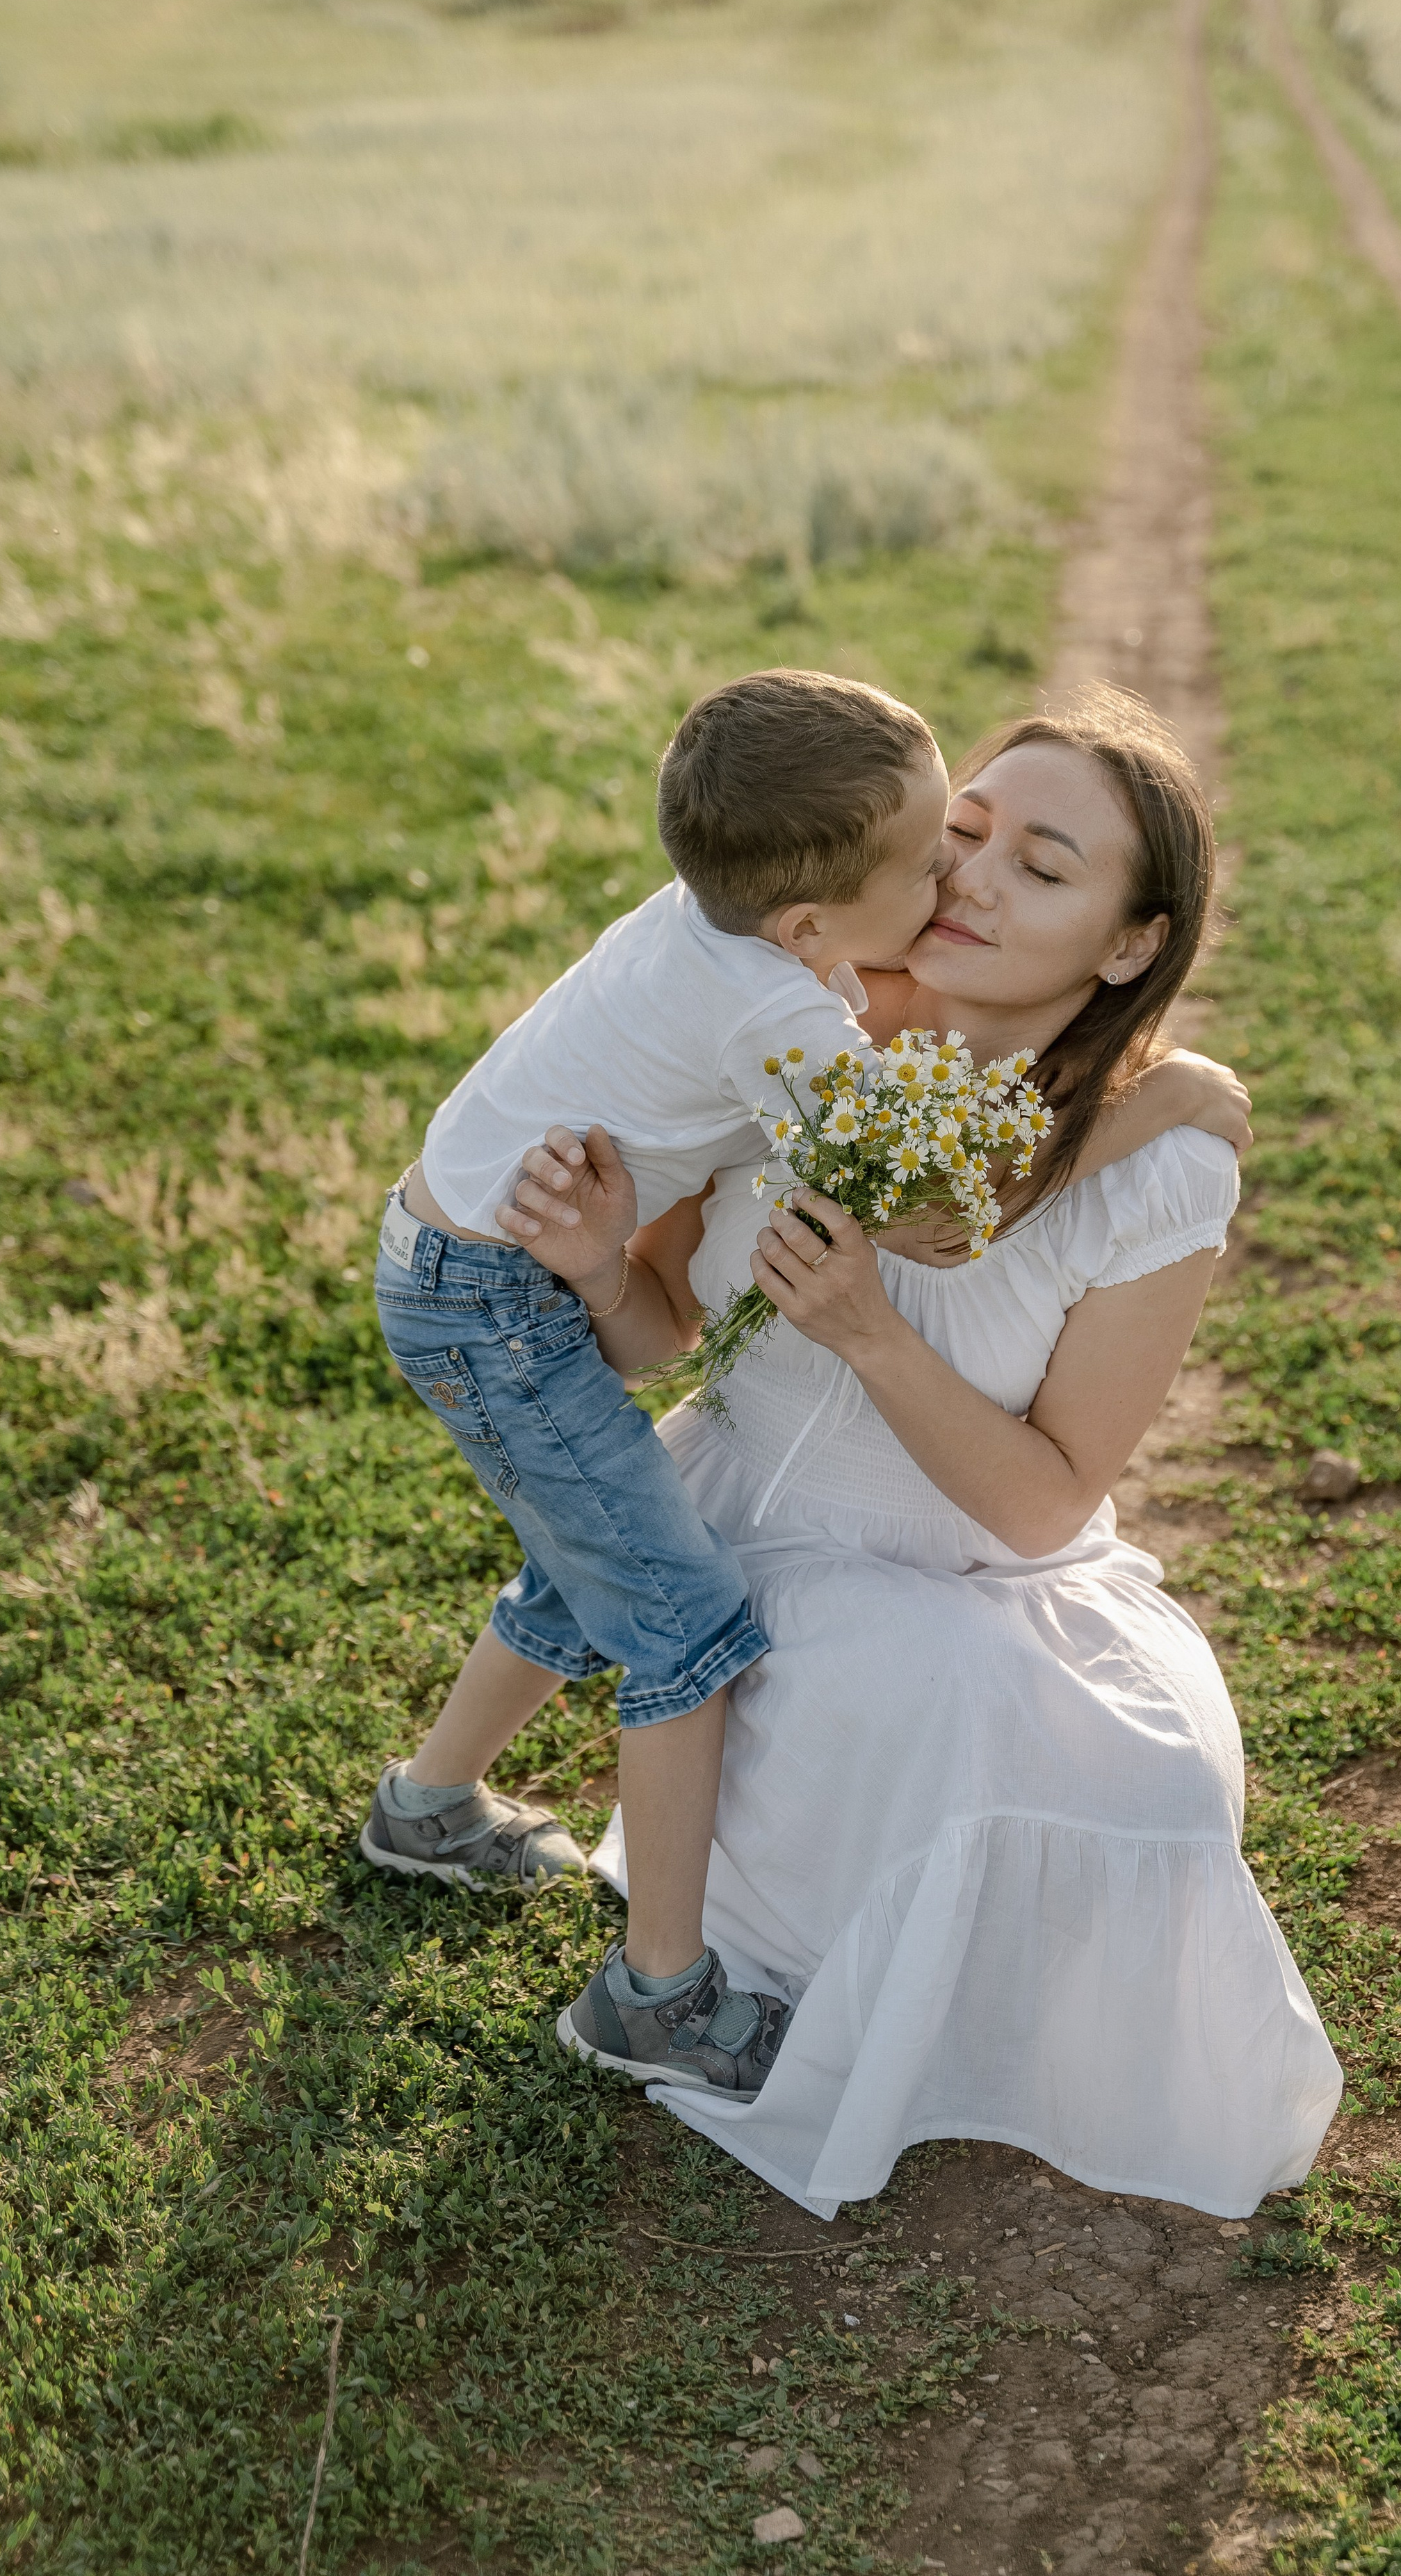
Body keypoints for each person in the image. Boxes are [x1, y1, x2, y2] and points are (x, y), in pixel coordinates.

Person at [365, 669, 1254, 2114]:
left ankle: (453, 1815)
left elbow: (1040, 1500)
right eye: (956, 834)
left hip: (933, 1570)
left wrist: (887, 1329)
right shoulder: (798, 1034)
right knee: (646, 1578)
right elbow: (691, 1320)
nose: (962, 878)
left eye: (1038, 866)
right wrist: (598, 1269)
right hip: (728, 1492)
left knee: (1038, 1760)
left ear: (1130, 944)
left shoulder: (1142, 1161)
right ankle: (636, 1968)